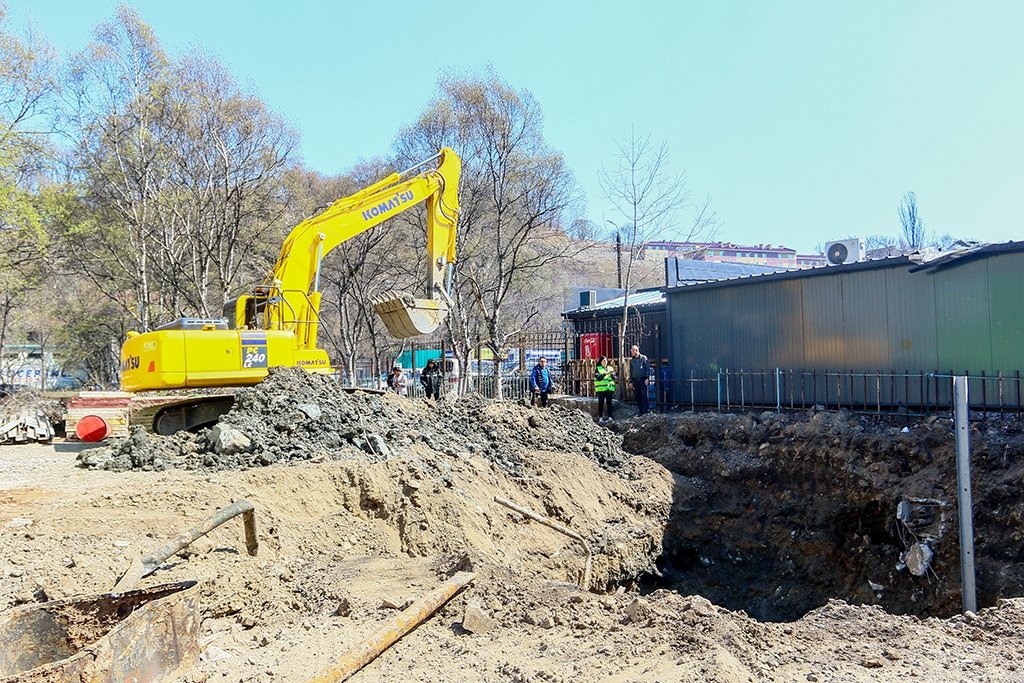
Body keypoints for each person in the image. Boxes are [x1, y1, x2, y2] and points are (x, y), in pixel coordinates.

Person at [629, 344, 652, 415]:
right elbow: (631, 371)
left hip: (643, 379)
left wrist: (647, 378)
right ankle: (640, 410)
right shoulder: (632, 361)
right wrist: (631, 382)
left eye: (632, 350)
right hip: (636, 380)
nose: (631, 352)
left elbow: (647, 369)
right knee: (637, 395)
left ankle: (646, 410)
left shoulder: (643, 358)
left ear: (636, 351)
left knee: (644, 395)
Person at [594, 355, 616, 423]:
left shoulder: (610, 368)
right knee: (601, 403)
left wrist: (612, 375)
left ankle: (610, 417)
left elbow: (614, 377)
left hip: (609, 388)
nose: (605, 362)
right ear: (600, 362)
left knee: (609, 403)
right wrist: (605, 374)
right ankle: (600, 417)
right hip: (601, 389)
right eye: (603, 361)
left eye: (606, 361)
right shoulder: (598, 369)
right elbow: (598, 378)